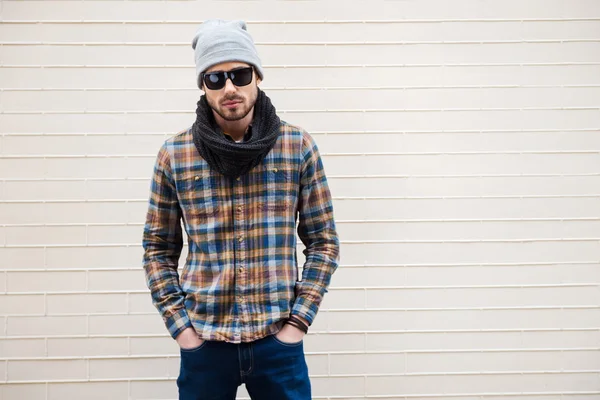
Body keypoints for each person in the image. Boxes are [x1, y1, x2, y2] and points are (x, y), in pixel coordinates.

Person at [142, 19, 340, 400]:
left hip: (277, 342)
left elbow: (324, 242)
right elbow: (157, 249)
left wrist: (297, 324)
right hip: (206, 345)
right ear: (203, 85)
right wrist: (183, 330)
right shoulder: (176, 155)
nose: (229, 87)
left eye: (239, 74)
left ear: (257, 76)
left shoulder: (296, 147)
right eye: (215, 78)